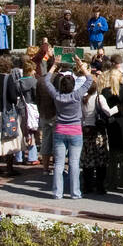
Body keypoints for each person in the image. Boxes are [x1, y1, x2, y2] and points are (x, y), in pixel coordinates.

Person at [44, 55, 92, 200]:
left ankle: (57, 192)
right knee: (74, 163)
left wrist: (54, 65)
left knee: (59, 163)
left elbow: (46, 81)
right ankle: (75, 192)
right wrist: (81, 64)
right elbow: (89, 80)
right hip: (75, 130)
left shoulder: (57, 96)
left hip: (60, 129)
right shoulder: (77, 95)